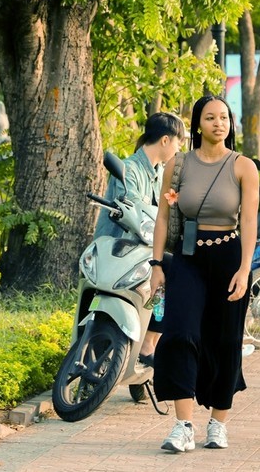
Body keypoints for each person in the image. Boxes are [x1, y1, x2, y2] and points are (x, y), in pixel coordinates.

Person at [148, 95, 259, 452]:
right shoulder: (178, 165)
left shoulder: (243, 166)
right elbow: (164, 218)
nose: (219, 123)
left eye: (224, 117)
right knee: (180, 333)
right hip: (187, 258)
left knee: (225, 342)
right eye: (210, 118)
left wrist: (245, 268)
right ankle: (182, 425)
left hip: (228, 258)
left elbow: (250, 221)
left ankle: (218, 423)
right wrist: (156, 265)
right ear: (198, 124)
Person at [94, 112, 186, 365]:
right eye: (179, 143)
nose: (179, 150)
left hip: (142, 251)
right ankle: (147, 344)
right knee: (170, 275)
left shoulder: (159, 175)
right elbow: (132, 207)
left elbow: (168, 211)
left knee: (176, 277)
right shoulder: (130, 169)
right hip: (118, 248)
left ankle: (152, 340)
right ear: (166, 140)